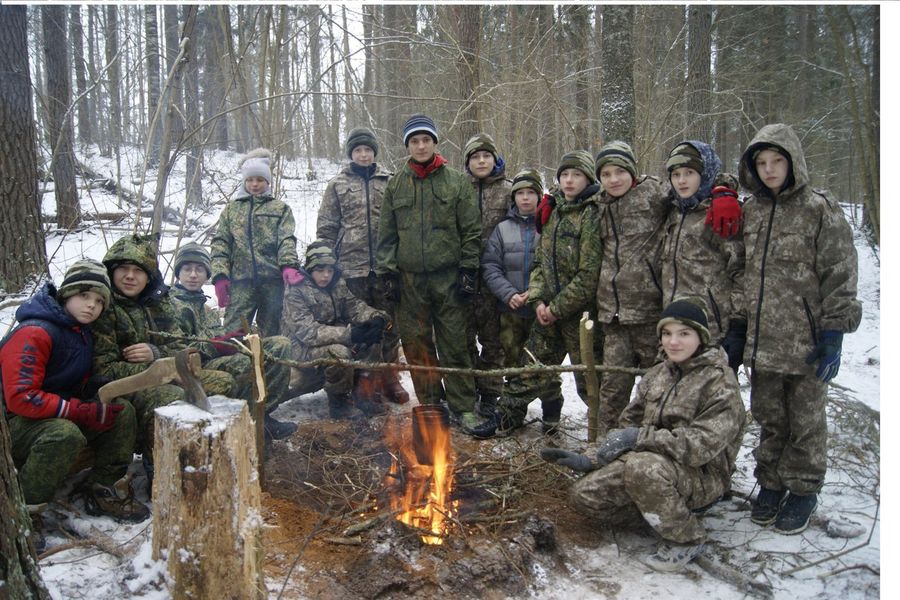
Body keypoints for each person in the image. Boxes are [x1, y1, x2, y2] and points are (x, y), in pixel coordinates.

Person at [541, 299, 744, 572]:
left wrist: (639, 438)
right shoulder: (658, 374)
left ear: (701, 338)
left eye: (684, 334)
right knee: (584, 495)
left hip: (702, 474)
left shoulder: (719, 383)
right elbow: (626, 426)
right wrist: (591, 458)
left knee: (641, 468)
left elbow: (699, 447)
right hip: (651, 464)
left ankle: (687, 538)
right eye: (667, 333)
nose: (674, 342)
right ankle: (661, 511)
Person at [738, 123, 861, 534]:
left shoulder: (819, 208)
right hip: (763, 339)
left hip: (805, 339)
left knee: (806, 419)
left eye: (777, 161)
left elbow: (839, 273)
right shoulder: (751, 209)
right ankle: (771, 482)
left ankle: (804, 488)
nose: (769, 170)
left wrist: (833, 334)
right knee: (770, 416)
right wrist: (740, 325)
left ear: (793, 163)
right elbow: (740, 271)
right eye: (761, 162)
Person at [1, 259, 148, 522]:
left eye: (100, 300)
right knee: (64, 434)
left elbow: (65, 380)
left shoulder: (80, 332)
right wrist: (78, 410)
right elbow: (21, 397)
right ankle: (23, 512)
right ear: (66, 294)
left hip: (46, 414)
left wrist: (90, 390)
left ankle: (103, 486)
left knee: (121, 411)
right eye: (84, 295)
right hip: (11, 423)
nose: (92, 305)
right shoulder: (35, 332)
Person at [375, 114, 493, 437]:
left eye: (426, 139)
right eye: (415, 141)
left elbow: (470, 231)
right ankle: (431, 402)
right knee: (416, 345)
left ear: (435, 142)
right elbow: (386, 235)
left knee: (454, 342)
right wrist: (388, 273)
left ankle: (464, 407)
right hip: (410, 280)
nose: (421, 145)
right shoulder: (396, 184)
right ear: (408, 146)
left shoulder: (455, 182)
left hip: (448, 278)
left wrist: (469, 269)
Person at [92, 234, 235, 472]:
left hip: (166, 373)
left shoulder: (158, 303)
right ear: (111, 272)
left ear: (148, 276)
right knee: (172, 399)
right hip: (126, 385)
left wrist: (156, 353)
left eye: (138, 271)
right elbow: (103, 370)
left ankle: (209, 453)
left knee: (223, 383)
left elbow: (181, 346)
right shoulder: (103, 307)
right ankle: (160, 470)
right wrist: (156, 370)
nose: (130, 276)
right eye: (123, 269)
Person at [496, 151, 602, 436]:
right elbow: (541, 261)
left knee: (590, 382)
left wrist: (557, 308)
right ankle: (505, 417)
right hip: (548, 312)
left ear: (588, 178)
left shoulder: (592, 213)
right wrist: (539, 299)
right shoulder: (553, 211)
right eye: (564, 175)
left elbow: (589, 274)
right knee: (528, 369)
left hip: (582, 316)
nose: (569, 181)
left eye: (576, 175)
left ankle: (603, 435)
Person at [316, 127, 409, 405]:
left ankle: (389, 378)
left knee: (390, 326)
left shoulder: (390, 181)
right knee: (360, 327)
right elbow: (327, 227)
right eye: (358, 150)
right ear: (351, 154)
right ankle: (362, 382)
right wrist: (325, 265)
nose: (364, 154)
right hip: (350, 267)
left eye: (368, 150)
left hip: (384, 268)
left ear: (374, 153)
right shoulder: (337, 184)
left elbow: (400, 224)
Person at [170, 241, 297, 440]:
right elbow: (177, 349)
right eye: (187, 269)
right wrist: (218, 345)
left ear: (206, 275)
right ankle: (245, 420)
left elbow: (219, 337)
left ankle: (261, 414)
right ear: (178, 273)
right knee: (243, 363)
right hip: (191, 369)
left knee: (279, 345)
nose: (193, 275)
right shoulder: (171, 305)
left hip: (213, 359)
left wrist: (238, 339)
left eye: (199, 269)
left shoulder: (205, 308)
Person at [593, 141, 669, 435]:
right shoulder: (600, 204)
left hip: (650, 312)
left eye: (620, 172)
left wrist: (723, 190)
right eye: (607, 174)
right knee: (612, 387)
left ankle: (655, 442)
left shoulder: (654, 194)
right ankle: (607, 445)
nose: (614, 179)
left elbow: (693, 188)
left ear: (632, 171)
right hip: (613, 316)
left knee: (658, 385)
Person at [661, 141, 746, 372]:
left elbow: (740, 271)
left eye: (689, 173)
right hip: (673, 329)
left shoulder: (721, 213)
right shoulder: (672, 210)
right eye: (676, 174)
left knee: (715, 398)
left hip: (712, 329)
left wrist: (738, 325)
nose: (681, 181)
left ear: (705, 173)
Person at [283, 241, 389, 419]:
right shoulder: (296, 290)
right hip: (299, 347)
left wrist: (376, 317)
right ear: (310, 269)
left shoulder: (337, 283)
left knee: (372, 340)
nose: (326, 276)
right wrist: (350, 334)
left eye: (330, 271)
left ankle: (362, 393)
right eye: (320, 270)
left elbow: (354, 307)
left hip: (331, 336)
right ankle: (338, 403)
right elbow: (307, 332)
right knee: (339, 353)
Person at [210, 148, 302, 337]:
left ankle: (272, 367)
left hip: (273, 283)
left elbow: (286, 240)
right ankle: (235, 365)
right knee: (231, 334)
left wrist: (288, 266)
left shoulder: (280, 209)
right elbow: (221, 244)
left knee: (274, 335)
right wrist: (220, 276)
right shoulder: (232, 210)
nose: (254, 184)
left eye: (259, 180)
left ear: (267, 181)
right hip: (241, 283)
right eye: (250, 180)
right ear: (244, 181)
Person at [463, 133, 512, 418]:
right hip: (465, 278)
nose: (481, 161)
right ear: (468, 162)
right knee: (464, 338)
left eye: (486, 156)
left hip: (497, 279)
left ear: (495, 159)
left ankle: (491, 393)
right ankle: (467, 391)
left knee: (494, 341)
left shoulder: (509, 190)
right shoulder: (458, 189)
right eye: (475, 157)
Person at [481, 168, 542, 371]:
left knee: (542, 363)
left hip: (541, 309)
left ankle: (552, 402)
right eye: (520, 193)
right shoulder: (502, 228)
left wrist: (535, 293)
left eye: (531, 192)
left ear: (539, 196)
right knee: (513, 361)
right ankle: (515, 403)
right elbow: (491, 266)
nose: (525, 198)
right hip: (510, 310)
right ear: (513, 197)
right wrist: (509, 294)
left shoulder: (548, 226)